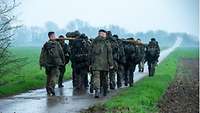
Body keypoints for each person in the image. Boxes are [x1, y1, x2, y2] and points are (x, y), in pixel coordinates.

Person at [39, 32, 65, 96]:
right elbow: (61, 53)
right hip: (55, 63)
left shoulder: (46, 44)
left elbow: (42, 54)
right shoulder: (57, 44)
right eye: (53, 35)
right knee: (55, 75)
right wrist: (63, 61)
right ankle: (51, 87)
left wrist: (41, 63)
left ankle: (48, 90)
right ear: (50, 37)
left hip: (47, 64)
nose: (54, 36)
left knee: (49, 77)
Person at [90, 29, 113, 98]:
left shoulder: (94, 42)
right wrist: (111, 64)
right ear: (103, 34)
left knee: (96, 78)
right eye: (105, 34)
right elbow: (109, 54)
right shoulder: (107, 43)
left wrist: (90, 63)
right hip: (104, 65)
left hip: (95, 64)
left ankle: (97, 91)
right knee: (104, 78)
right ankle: (104, 91)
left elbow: (90, 53)